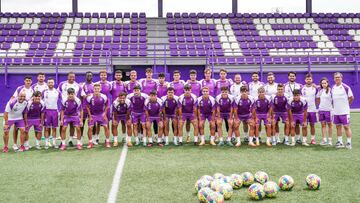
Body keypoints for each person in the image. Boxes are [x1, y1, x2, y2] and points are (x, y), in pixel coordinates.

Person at [58, 72, 85, 146]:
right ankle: (62, 141)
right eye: (70, 76)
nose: (71, 78)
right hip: (65, 107)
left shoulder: (78, 85)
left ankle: (70, 140)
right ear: (67, 77)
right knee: (62, 126)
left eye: (73, 77)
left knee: (73, 126)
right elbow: (58, 93)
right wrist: (63, 100)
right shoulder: (62, 84)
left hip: (74, 109)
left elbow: (83, 95)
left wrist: (88, 95)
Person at [331, 72, 354, 149]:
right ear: (334, 79)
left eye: (338, 77)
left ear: (341, 78)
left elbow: (351, 97)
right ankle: (340, 142)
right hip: (336, 112)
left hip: (344, 112)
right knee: (338, 127)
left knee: (346, 127)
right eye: (336, 77)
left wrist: (346, 105)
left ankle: (348, 143)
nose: (337, 78)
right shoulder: (333, 88)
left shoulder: (346, 87)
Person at [11, 75, 33, 150]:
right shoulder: (19, 88)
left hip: (27, 111)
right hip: (19, 111)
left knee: (25, 127)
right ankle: (14, 144)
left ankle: (25, 144)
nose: (28, 82)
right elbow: (13, 98)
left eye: (29, 81)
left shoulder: (32, 89)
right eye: (27, 80)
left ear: (31, 82)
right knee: (16, 128)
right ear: (24, 81)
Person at [86, 84, 111, 149]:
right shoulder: (89, 97)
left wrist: (104, 114)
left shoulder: (104, 97)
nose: (96, 90)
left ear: (100, 89)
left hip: (101, 114)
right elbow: (87, 107)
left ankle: (107, 142)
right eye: (95, 89)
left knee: (106, 127)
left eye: (98, 88)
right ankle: (90, 142)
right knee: (90, 128)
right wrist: (90, 116)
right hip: (93, 115)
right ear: (93, 89)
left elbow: (107, 105)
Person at [42, 77, 61, 148]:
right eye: (49, 82)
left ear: (54, 83)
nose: (50, 84)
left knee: (54, 128)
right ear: (47, 83)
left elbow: (63, 100)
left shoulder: (57, 92)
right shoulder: (44, 92)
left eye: (52, 82)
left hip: (54, 111)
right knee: (46, 128)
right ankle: (47, 143)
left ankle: (54, 143)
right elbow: (39, 100)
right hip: (46, 111)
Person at [284, 71, 303, 142]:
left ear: (295, 77)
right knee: (287, 123)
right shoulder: (285, 85)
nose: (292, 77)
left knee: (297, 124)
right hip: (288, 107)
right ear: (288, 77)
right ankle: (286, 138)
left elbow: (301, 95)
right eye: (290, 76)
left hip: (297, 107)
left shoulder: (299, 86)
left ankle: (298, 138)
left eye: (293, 76)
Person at [184, 70, 202, 142]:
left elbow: (202, 92)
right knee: (188, 121)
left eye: (194, 75)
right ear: (190, 76)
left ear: (196, 76)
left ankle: (198, 136)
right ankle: (188, 136)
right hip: (188, 105)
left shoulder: (199, 83)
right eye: (191, 75)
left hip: (197, 104)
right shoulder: (187, 83)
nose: (193, 76)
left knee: (198, 120)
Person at [301, 73, 318, 145]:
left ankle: (313, 139)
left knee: (312, 125)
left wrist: (314, 105)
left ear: (312, 80)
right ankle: (304, 140)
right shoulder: (302, 88)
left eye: (310, 79)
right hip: (304, 110)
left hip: (312, 110)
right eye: (307, 79)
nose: (308, 80)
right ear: (305, 80)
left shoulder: (315, 88)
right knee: (304, 125)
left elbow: (317, 98)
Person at [316, 77, 333, 146]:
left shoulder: (331, 90)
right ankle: (324, 140)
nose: (323, 84)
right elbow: (317, 99)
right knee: (323, 125)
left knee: (330, 125)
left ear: (327, 83)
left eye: (325, 83)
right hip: (321, 110)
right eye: (322, 83)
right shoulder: (320, 91)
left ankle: (330, 140)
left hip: (328, 110)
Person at [110, 70, 126, 141]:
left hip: (123, 106)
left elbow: (126, 93)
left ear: (121, 76)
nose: (118, 76)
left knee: (123, 122)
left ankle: (124, 136)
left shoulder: (124, 84)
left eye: (119, 75)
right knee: (114, 123)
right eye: (117, 75)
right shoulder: (111, 84)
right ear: (115, 76)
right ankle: (114, 136)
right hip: (114, 106)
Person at [80, 71, 94, 137]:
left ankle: (94, 138)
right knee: (82, 122)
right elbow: (80, 96)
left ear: (92, 77)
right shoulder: (82, 85)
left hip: (92, 108)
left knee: (92, 123)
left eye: (90, 75)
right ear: (85, 76)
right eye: (88, 75)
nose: (89, 77)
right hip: (84, 107)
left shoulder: (94, 85)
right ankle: (80, 138)